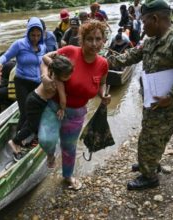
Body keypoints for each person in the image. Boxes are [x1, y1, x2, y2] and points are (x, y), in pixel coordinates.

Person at [107, 0, 173, 190]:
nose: (141, 25)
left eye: (143, 21)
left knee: (150, 136)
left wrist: (172, 96)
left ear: (155, 18)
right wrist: (109, 61)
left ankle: (149, 176)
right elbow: (133, 55)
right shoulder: (151, 39)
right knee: (155, 134)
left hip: (167, 103)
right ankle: (150, 162)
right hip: (153, 98)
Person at [39, 21, 111, 190]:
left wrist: (103, 94)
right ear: (82, 40)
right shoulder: (69, 51)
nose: (94, 44)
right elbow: (44, 59)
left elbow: (102, 83)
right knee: (46, 139)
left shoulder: (103, 64)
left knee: (69, 147)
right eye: (89, 39)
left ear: (103, 41)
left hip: (77, 113)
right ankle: (50, 153)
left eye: (98, 39)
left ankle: (68, 176)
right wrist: (45, 76)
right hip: (54, 106)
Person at [8, 55, 73, 161]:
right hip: (37, 102)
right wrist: (62, 109)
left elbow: (45, 58)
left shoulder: (50, 71)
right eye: (67, 75)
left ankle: (22, 140)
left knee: (30, 121)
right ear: (60, 74)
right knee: (32, 126)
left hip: (34, 97)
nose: (70, 76)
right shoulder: (58, 82)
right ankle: (14, 142)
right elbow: (63, 100)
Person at [0, 17, 46, 132]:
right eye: (33, 35)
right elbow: (6, 56)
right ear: (28, 33)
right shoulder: (19, 44)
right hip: (22, 82)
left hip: (37, 83)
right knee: (24, 111)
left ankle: (33, 133)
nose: (35, 38)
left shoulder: (42, 46)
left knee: (36, 110)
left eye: (38, 35)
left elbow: (44, 63)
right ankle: (18, 137)